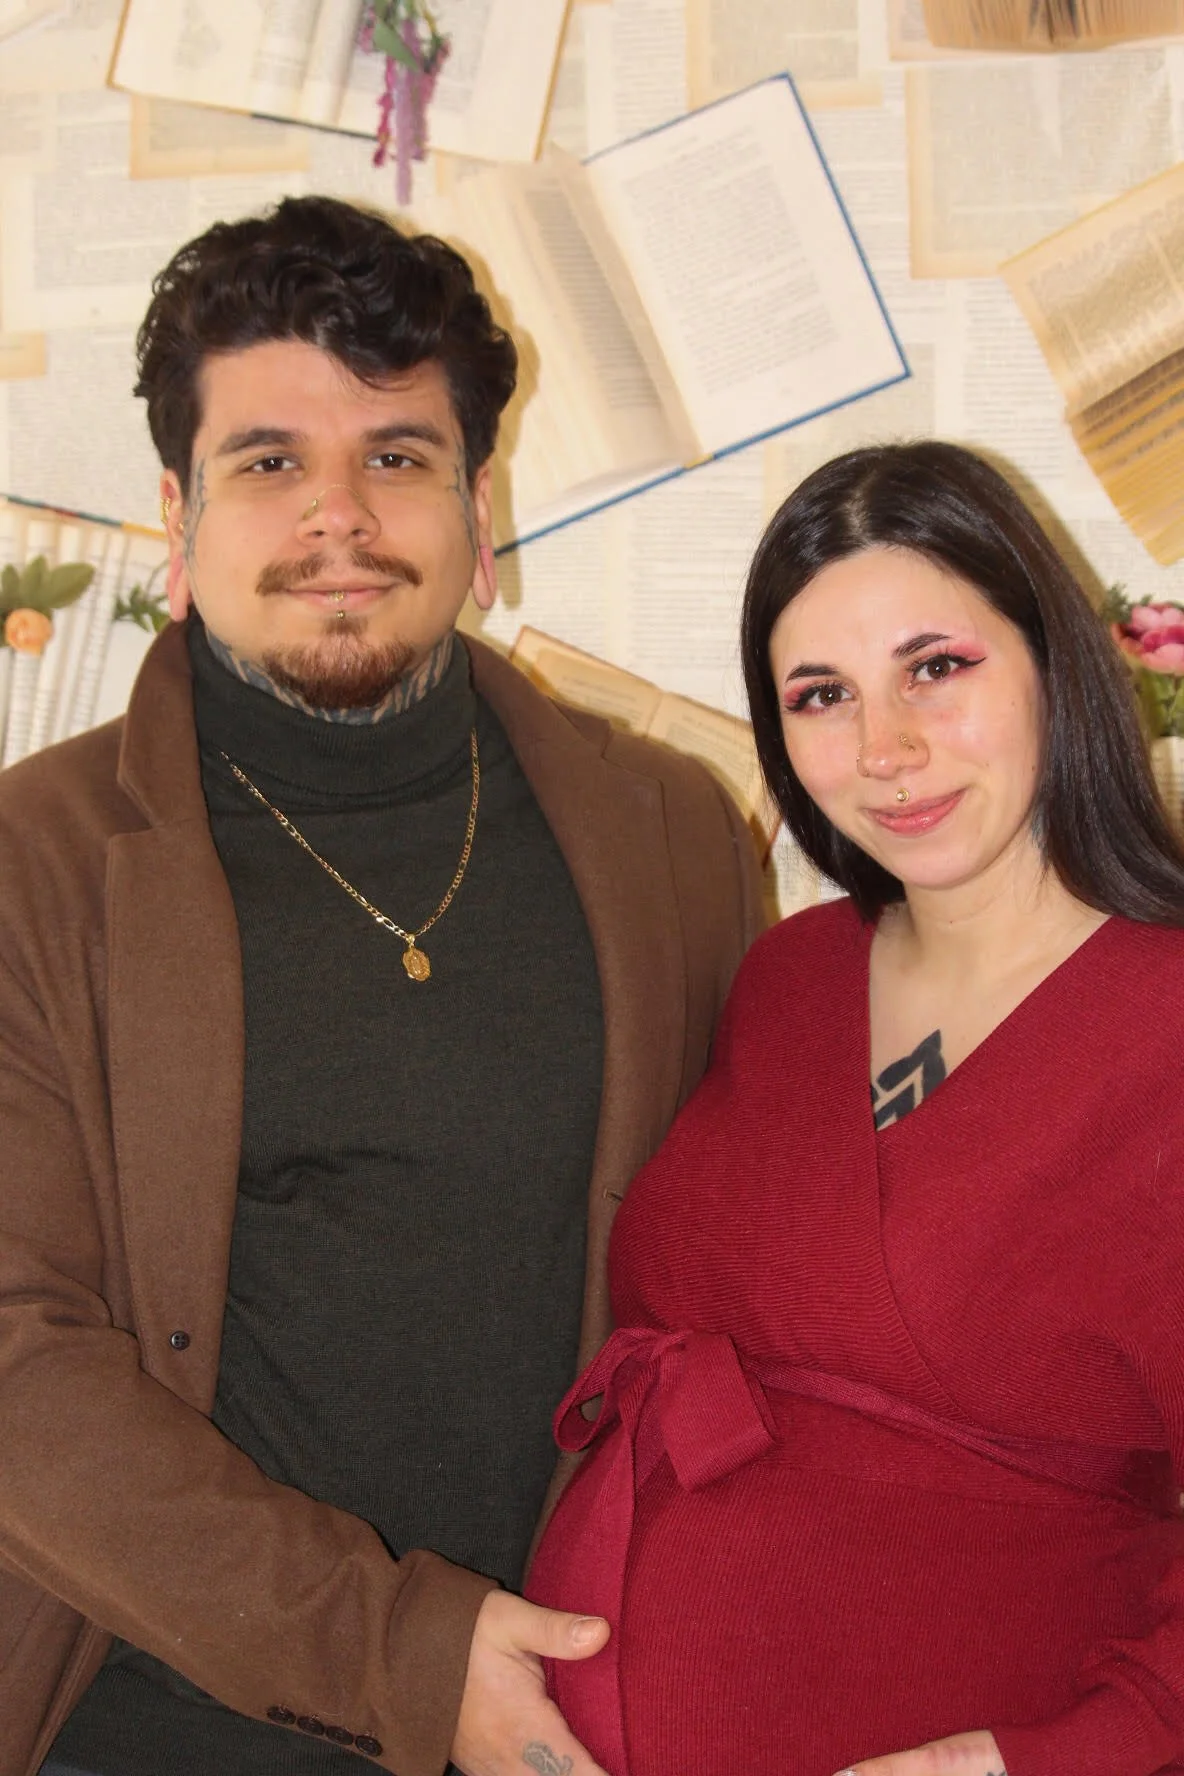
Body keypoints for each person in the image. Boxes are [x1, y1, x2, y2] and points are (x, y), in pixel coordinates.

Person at [0, 194, 765, 1776]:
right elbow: (17, 1358)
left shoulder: (677, 837)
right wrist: (400, 1658)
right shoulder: (34, 868)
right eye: (269, 462)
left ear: (480, 509)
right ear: (177, 517)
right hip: (155, 1717)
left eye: (397, 456)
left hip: (581, 1704)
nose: (337, 516)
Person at [526, 440, 1184, 1776]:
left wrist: (1040, 1762)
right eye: (822, 695)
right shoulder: (793, 976)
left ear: (1052, 662)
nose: (887, 749)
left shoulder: (1164, 1024)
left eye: (936, 667)